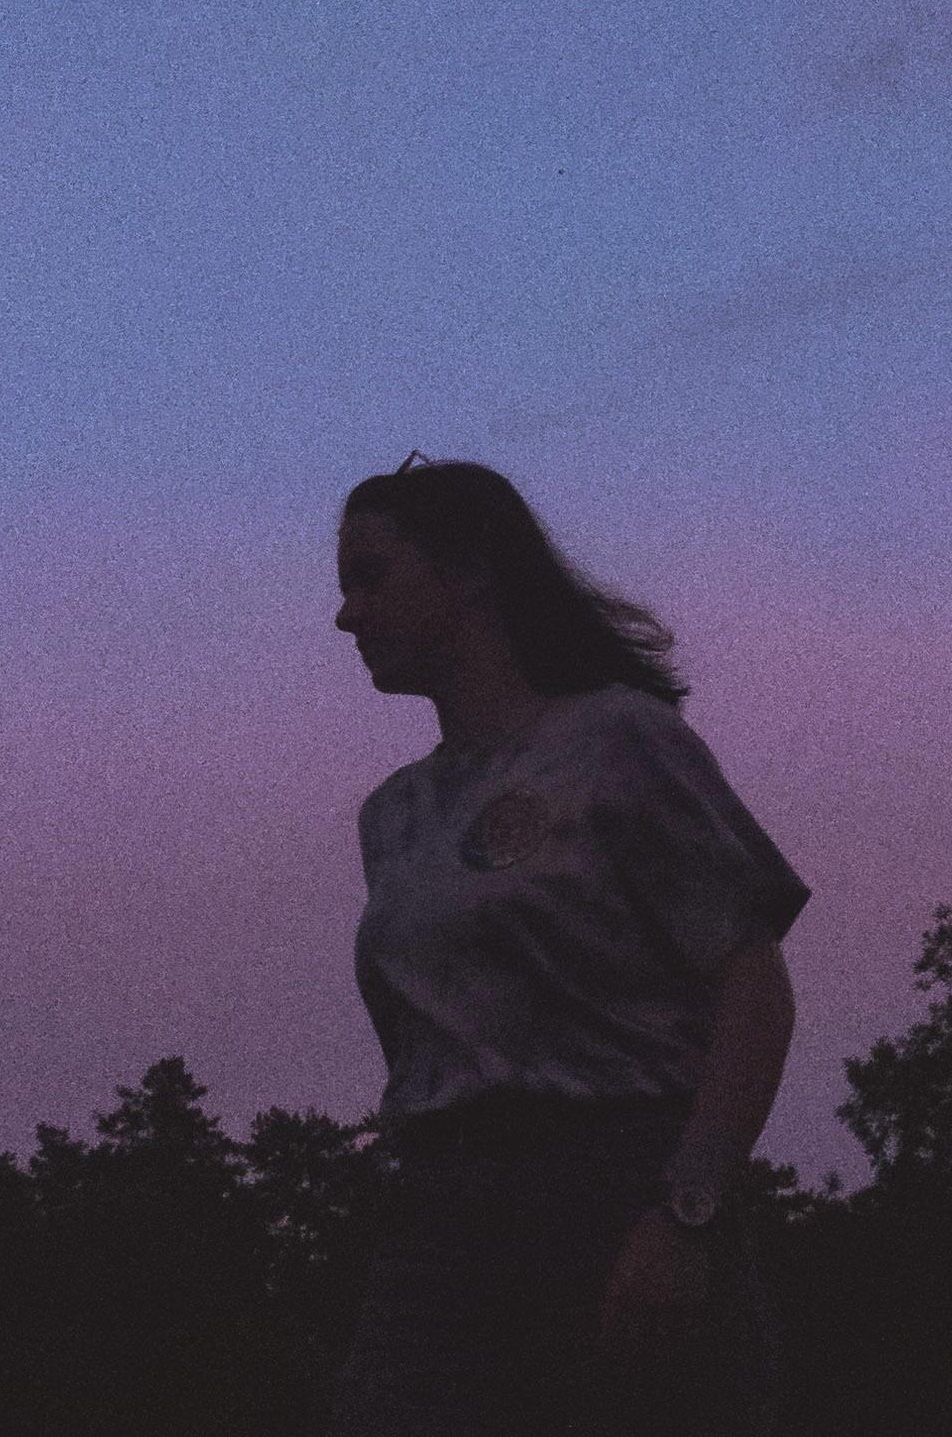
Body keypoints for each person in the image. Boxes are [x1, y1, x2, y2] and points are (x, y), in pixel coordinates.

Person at [327, 453, 811, 1437]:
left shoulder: (617, 740)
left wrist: (685, 1214)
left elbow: (752, 984)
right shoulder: (396, 815)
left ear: (465, 571)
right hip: (438, 1227)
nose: (347, 613)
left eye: (370, 575)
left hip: (610, 1195)